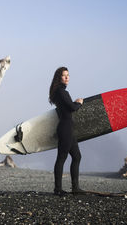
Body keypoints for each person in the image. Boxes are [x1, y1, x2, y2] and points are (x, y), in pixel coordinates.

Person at [49, 66, 84, 195]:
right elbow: (72, 108)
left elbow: (68, 106)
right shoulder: (61, 91)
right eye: (64, 75)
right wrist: (79, 103)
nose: (67, 77)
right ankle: (57, 189)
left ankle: (75, 188)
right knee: (61, 158)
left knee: (77, 156)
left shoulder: (59, 92)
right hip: (65, 129)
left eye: (68, 75)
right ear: (59, 78)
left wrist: (73, 103)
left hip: (67, 129)